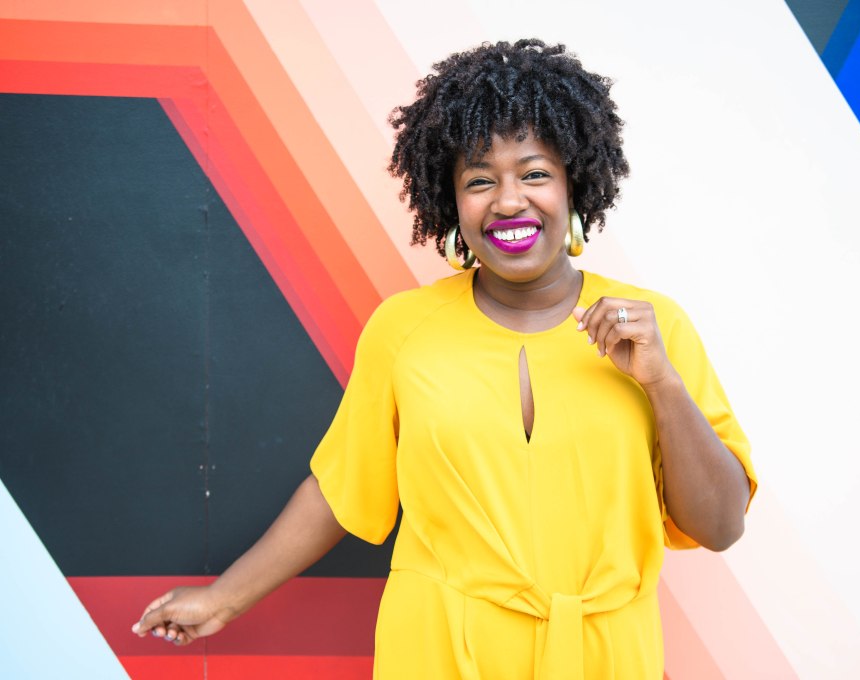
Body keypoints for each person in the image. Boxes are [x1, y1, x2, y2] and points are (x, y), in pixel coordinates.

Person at [132, 38, 756, 679]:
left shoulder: (651, 328)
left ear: (576, 183)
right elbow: (340, 490)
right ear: (451, 201)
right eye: (480, 180)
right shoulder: (405, 329)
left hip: (605, 657)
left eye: (535, 174)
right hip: (438, 650)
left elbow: (720, 526)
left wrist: (662, 383)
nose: (508, 201)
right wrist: (223, 599)